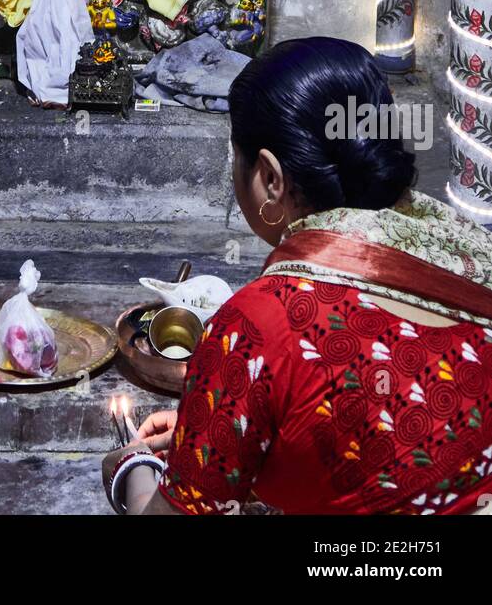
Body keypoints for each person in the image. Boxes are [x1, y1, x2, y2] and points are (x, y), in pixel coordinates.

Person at [102, 37, 492, 515]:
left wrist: (132, 475)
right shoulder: (469, 254)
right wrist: (216, 424)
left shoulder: (260, 326)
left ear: (269, 177)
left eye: (235, 159)